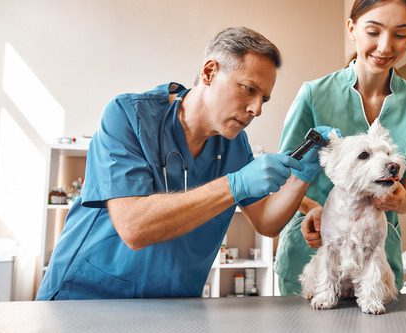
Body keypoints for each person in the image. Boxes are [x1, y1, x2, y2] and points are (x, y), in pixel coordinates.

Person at [36, 26, 332, 300]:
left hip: (171, 307)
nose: (256, 109)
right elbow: (134, 227)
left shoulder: (234, 145)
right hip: (86, 297)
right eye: (248, 89)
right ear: (209, 72)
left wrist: (302, 174)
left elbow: (267, 221)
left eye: (264, 99)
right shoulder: (127, 116)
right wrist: (236, 184)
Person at [275, 0, 406, 296]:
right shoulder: (314, 94)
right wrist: (314, 210)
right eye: (373, 31)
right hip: (313, 251)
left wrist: (398, 200)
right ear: (352, 28)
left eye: (400, 34)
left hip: (375, 256)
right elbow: (285, 175)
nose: (385, 46)